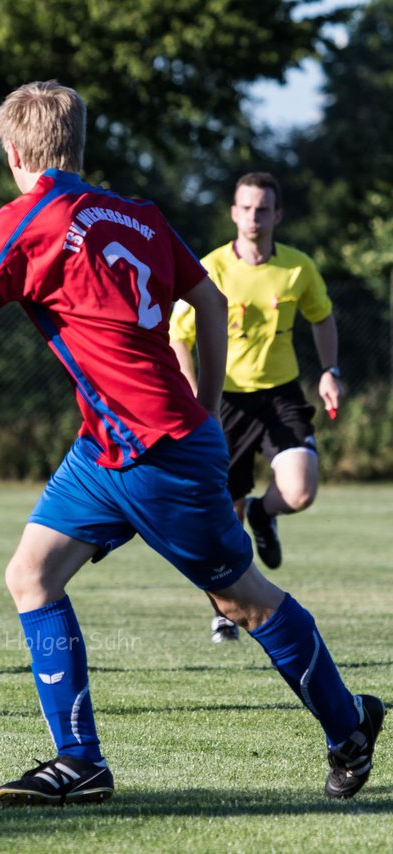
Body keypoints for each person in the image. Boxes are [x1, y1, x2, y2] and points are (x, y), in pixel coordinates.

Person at [0, 81, 381, 804]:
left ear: (13, 150)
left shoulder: (24, 220)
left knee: (244, 602)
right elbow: (209, 300)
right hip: (111, 446)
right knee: (30, 575)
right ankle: (79, 761)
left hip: (155, 449)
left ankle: (349, 725)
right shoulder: (136, 213)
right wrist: (210, 404)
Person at [169, 172, 342, 643]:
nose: (253, 217)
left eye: (262, 209)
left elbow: (322, 317)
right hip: (224, 399)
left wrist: (330, 371)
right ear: (233, 212)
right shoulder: (212, 268)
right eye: (245, 208)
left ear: (277, 215)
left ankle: (267, 516)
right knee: (227, 511)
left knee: (301, 490)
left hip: (281, 393)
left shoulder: (297, 268)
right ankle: (227, 612)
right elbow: (177, 335)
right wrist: (194, 393)